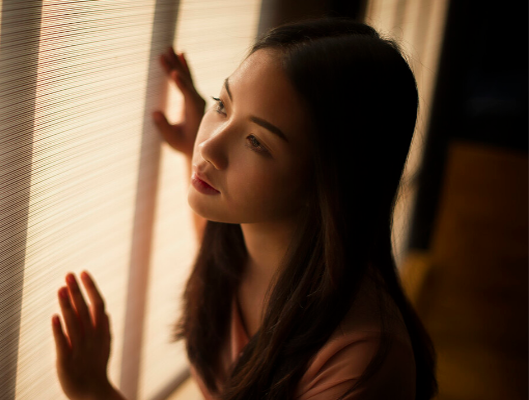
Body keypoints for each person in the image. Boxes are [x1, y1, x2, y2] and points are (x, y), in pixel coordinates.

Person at [51, 18, 437, 400]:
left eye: (256, 141)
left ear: (328, 182)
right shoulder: (238, 247)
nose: (209, 148)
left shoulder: (359, 364)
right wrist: (194, 146)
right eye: (222, 104)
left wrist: (95, 392)